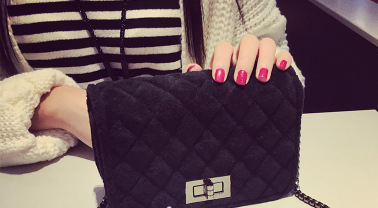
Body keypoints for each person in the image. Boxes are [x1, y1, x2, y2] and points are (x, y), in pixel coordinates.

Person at [0, 0, 305, 167]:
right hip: (45, 195)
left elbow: (286, 70)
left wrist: (261, 84)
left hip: (196, 176)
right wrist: (55, 106)